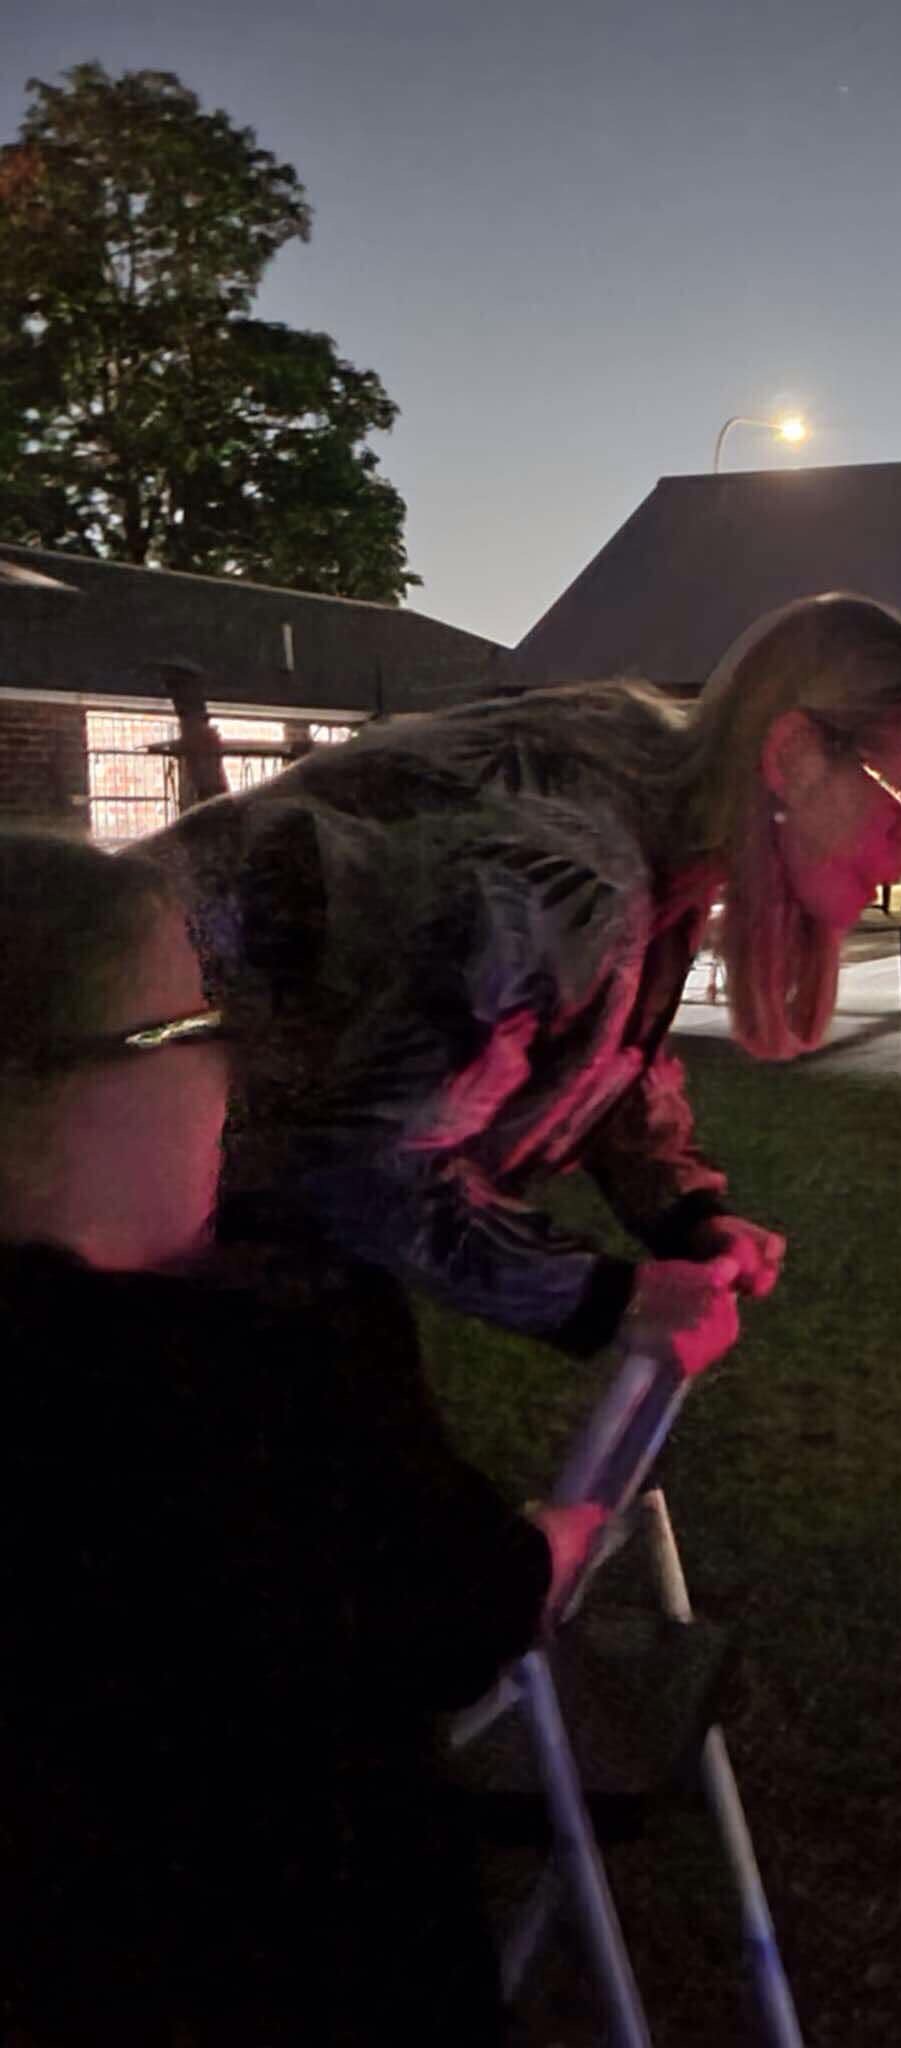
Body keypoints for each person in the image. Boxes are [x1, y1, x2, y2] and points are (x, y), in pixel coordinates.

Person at [0, 831, 608, 2046]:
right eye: (192, 1029)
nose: (230, 1072)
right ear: (72, 1079)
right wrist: (549, 1549)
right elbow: (444, 1609)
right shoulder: (249, 1380)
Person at [141, 592, 901, 1367]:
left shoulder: (653, 807)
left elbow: (605, 1044)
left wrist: (685, 1213)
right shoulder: (571, 880)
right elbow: (369, 1169)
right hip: (99, 1159)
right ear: (793, 754)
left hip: (186, 1190)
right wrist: (609, 1297)